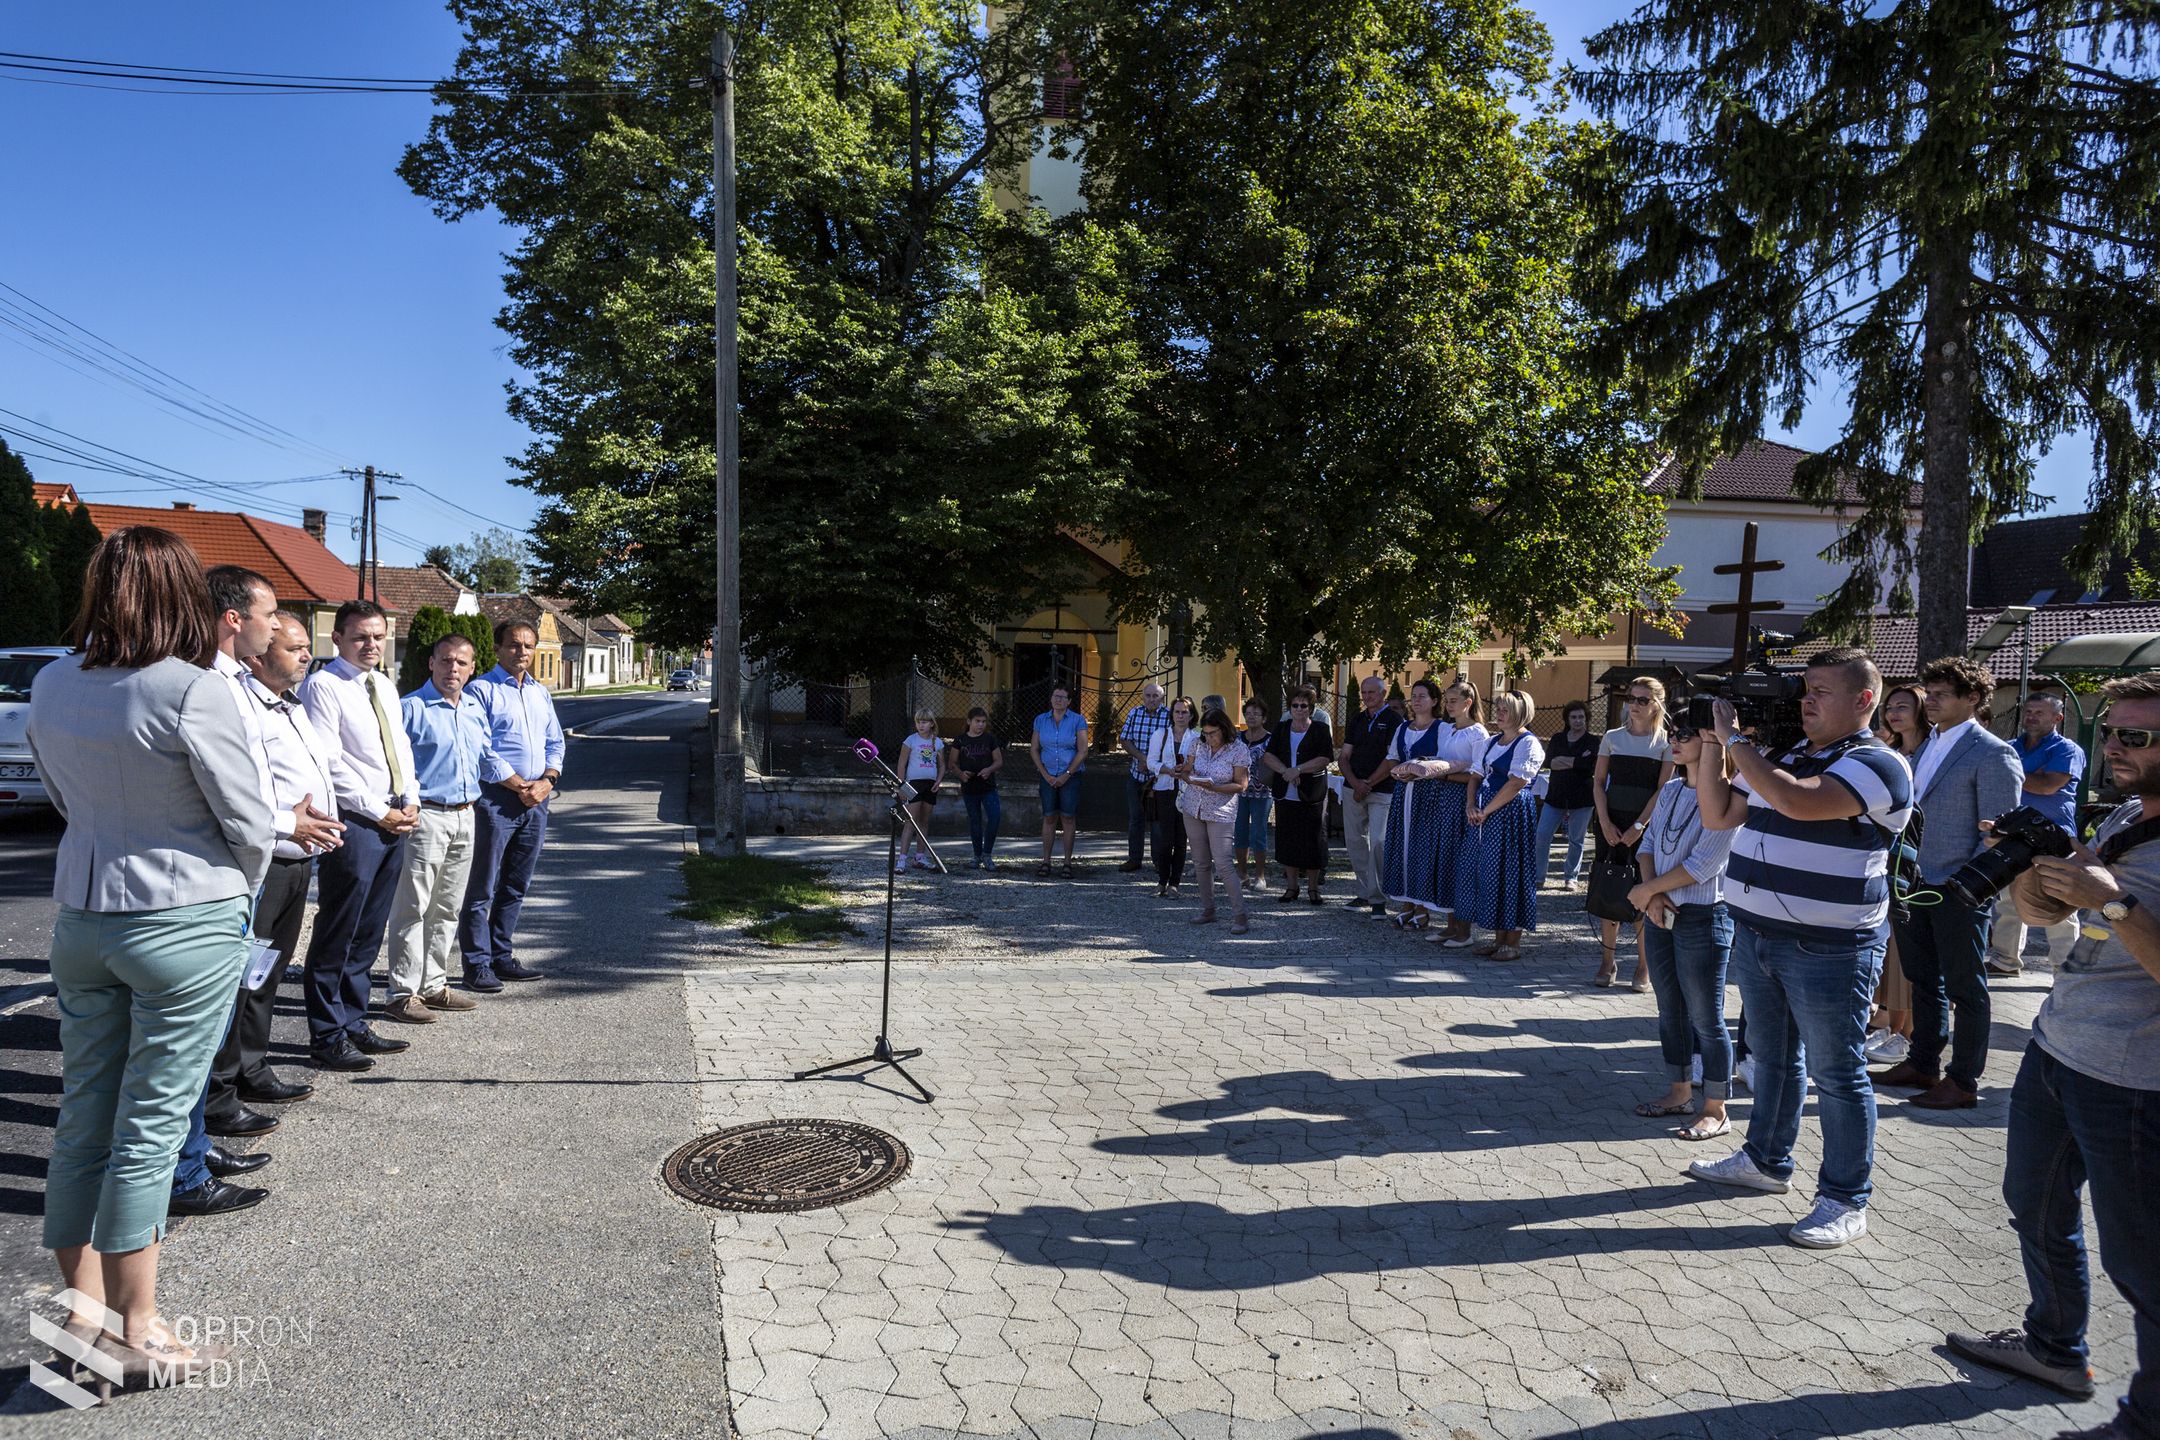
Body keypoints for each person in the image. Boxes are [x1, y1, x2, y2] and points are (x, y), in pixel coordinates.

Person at [26, 526, 273, 1388]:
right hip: (185, 915)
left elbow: (60, 796)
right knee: (151, 1128)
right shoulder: (191, 690)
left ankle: (84, 1318)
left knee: (84, 1112)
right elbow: (249, 821)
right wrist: (236, 894)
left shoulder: (51, 681)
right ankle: (143, 1330)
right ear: (181, 595)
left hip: (85, 914)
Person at [1946, 672, 2160, 1440]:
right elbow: (2046, 911)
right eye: (2114, 733)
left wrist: (2111, 899)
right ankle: (2054, 1347)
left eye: (2137, 737)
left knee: (2144, 1268)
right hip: (2059, 1049)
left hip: (2136, 1085)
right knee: (2032, 1205)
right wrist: (2037, 874)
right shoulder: (2131, 815)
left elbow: (2115, 911)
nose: (2116, 749)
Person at [1687, 647, 1914, 1250]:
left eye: (1820, 690)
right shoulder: (1785, 756)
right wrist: (1713, 744)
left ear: (1864, 700)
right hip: (1759, 933)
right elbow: (1716, 814)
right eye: (1805, 690)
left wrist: (1736, 743)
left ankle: (1844, 1198)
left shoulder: (1879, 763)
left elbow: (1799, 802)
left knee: (1838, 1074)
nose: (1805, 700)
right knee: (1773, 1058)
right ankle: (1765, 1161)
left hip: (1830, 947)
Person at [199, 599, 342, 1159]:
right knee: (236, 980)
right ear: (261, 657)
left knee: (266, 973)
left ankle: (253, 1066)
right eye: (294, 647)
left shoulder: (292, 705)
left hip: (297, 857)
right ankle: (218, 1091)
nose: (307, 656)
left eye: (307, 647)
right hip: (263, 860)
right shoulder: (243, 705)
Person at [1873, 657, 2023, 1110]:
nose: (1930, 702)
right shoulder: (1927, 745)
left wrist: (1967, 887)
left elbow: (2002, 836)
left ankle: (1963, 1081)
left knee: (1966, 988)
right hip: (1914, 882)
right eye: (1930, 692)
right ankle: (1923, 1063)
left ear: (1973, 699)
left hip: (1959, 889)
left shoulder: (1994, 752)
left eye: (1941, 695)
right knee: (1923, 980)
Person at [298, 599, 419, 1071]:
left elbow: (401, 748)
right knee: (339, 930)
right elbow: (330, 763)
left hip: (393, 818)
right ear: (339, 639)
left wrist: (411, 800)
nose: (371, 644)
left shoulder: (384, 685)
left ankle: (353, 1021)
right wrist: (377, 812)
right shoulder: (324, 687)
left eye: (378, 636)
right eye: (360, 637)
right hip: (356, 822)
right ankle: (326, 1034)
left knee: (369, 931)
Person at [1627, 726, 1738, 1141]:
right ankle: (1678, 1092)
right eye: (1672, 732)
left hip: (1704, 914)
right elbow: (1648, 844)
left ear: (1712, 744)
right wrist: (1652, 897)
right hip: (1662, 910)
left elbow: (1704, 864)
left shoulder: (1726, 795)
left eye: (1686, 735)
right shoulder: (1671, 788)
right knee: (1668, 1007)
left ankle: (1716, 1107)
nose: (1674, 740)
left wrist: (1648, 891)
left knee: (1706, 1016)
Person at [382, 635, 500, 1025]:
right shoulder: (410, 709)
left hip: (466, 814)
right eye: (446, 661)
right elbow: (394, 767)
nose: (453, 669)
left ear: (471, 668)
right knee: (412, 906)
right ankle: (402, 992)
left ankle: (433, 985)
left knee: (447, 907)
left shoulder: (473, 709)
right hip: (425, 817)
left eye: (462, 663)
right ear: (431, 663)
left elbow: (485, 758)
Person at [461, 620, 564, 991]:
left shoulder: (540, 693)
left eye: (528, 646)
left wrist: (547, 781)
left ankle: (501, 956)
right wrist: (520, 784)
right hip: (496, 800)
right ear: (498, 648)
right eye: (514, 645)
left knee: (516, 885)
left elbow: (556, 741)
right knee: (482, 887)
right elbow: (481, 748)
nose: (522, 652)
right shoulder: (481, 690)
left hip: (536, 801)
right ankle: (476, 964)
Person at [1988, 693, 2087, 977]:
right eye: (2028, 711)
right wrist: (2033, 775)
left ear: (2058, 718)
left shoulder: (2067, 749)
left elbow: (2048, 786)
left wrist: (2014, 772)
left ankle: (2064, 969)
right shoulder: (2009, 746)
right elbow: (1998, 780)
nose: (2031, 717)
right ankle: (2004, 961)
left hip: (2053, 835)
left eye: (2039, 712)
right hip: (2014, 833)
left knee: (2058, 905)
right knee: (2008, 901)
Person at [1589, 678, 1675, 989]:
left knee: (1644, 892)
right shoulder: (1612, 737)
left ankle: (1643, 967)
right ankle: (1607, 963)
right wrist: (1605, 821)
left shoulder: (1666, 743)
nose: (1635, 705)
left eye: (1643, 700)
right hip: (1610, 824)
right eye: (1632, 698)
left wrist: (1640, 825)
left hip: (1646, 828)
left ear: (1657, 704)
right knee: (1609, 888)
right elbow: (1598, 782)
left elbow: (1663, 790)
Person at [1455, 690, 1544, 960]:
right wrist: (1471, 805)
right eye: (1499, 708)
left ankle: (1512, 942)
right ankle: (1498, 938)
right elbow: (1475, 777)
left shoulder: (1528, 744)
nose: (1499, 713)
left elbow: (1516, 783)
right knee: (1488, 871)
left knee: (1511, 872)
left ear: (1520, 712)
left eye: (1505, 709)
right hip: (1484, 815)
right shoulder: (1491, 742)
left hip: (1510, 814)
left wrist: (1486, 811)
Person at [1866, 686, 1927, 1066]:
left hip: (1920, 867)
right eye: (1889, 706)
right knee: (1892, 954)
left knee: (1907, 957)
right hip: (1890, 862)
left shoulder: (1929, 753)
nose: (1893, 713)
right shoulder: (1894, 754)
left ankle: (1906, 1035)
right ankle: (1891, 1029)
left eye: (1903, 706)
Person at [1381, 678, 1450, 930]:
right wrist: (1399, 772)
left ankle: (1422, 906)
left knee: (1423, 848)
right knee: (1402, 846)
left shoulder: (1442, 729)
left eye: (1423, 696)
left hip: (1428, 794)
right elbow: (1392, 759)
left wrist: (1420, 772)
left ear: (1434, 701)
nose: (1417, 700)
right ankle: (1406, 903)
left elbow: (1445, 762)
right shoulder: (1402, 728)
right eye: (1414, 696)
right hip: (1403, 792)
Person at [1429, 681, 1492, 947]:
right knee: (1446, 861)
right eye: (1447, 699)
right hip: (1444, 799)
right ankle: (1451, 925)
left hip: (1463, 801)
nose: (1448, 704)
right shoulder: (1447, 730)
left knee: (1462, 865)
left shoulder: (1478, 734)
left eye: (1453, 700)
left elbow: (1477, 774)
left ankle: (1465, 930)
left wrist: (1444, 774)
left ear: (1468, 702)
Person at [1179, 708, 1253, 933]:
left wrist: (1215, 787)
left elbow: (1241, 785)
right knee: (1201, 863)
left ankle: (1240, 916)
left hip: (1220, 811)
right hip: (1193, 808)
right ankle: (1208, 909)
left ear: (1224, 729)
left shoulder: (1238, 749)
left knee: (1223, 863)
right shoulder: (1197, 744)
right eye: (1206, 732)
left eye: (1212, 733)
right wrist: (1184, 773)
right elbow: (1187, 771)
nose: (1208, 737)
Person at [1338, 676, 1402, 917]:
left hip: (1382, 789)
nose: (1366, 697)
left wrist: (1369, 783)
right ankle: (1364, 891)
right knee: (1355, 842)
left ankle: (1378, 898)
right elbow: (1344, 756)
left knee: (1378, 842)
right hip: (1353, 788)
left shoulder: (1394, 721)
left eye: (1372, 693)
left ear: (1383, 694)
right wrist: (1355, 783)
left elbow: (1392, 758)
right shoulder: (1357, 719)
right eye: (1364, 692)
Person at [1263, 687, 1334, 903]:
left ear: (1311, 709)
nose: (1299, 709)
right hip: (1286, 794)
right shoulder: (1282, 728)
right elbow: (1268, 756)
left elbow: (1325, 757)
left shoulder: (1320, 729)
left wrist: (1299, 769)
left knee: (1313, 840)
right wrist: (1286, 771)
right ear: (1290, 708)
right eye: (1295, 705)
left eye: (1304, 706)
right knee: (1287, 840)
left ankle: (1313, 888)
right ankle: (1291, 887)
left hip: (1311, 794)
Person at [1535, 701, 1599, 890]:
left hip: (1582, 798)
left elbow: (1589, 766)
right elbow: (1549, 762)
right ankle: (1539, 876)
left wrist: (1566, 761)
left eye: (1581, 717)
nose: (1578, 720)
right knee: (1542, 835)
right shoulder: (1557, 739)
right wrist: (1577, 761)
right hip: (1556, 796)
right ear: (1567, 719)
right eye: (1574, 717)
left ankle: (1571, 877)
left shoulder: (1592, 741)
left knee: (1576, 840)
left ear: (1586, 719)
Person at [1031, 682, 1089, 878]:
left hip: (1070, 776)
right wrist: (1045, 774)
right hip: (1047, 775)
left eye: (1062, 697)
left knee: (1068, 817)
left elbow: (1082, 750)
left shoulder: (1078, 720)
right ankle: (1046, 861)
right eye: (1056, 696)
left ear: (1069, 701)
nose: (1058, 700)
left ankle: (1067, 863)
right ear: (1051, 699)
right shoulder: (1040, 720)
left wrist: (1067, 774)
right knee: (1048, 816)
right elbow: (1034, 749)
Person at [1147, 697, 1198, 896]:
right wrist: (1167, 770)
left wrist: (1184, 769)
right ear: (1172, 714)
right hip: (1164, 790)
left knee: (1180, 839)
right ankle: (1161, 881)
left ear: (1191, 715)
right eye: (1177, 712)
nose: (1180, 715)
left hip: (1187, 791)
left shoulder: (1196, 737)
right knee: (1165, 838)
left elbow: (1198, 764)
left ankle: (1174, 883)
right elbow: (1151, 761)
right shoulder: (1160, 734)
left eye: (1184, 712)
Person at [1118, 682, 1170, 874]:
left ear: (1162, 698)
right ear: (1143, 696)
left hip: (1159, 778)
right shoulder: (1134, 713)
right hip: (1136, 774)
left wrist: (1152, 763)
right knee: (1135, 819)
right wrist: (1142, 759)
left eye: (1155, 696)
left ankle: (1159, 861)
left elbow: (1173, 742)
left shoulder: (1169, 716)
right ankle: (1134, 859)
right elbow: (1124, 739)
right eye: (1148, 695)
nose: (1151, 699)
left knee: (1157, 821)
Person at [950, 707, 1004, 870]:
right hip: (970, 787)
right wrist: (961, 774)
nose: (980, 725)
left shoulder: (989, 738)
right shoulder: (960, 740)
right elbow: (952, 763)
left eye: (983, 722)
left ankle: (987, 854)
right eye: (977, 721)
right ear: (969, 721)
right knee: (975, 822)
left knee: (994, 818)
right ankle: (977, 855)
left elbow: (999, 761)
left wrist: (989, 770)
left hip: (988, 787)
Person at [896, 709, 944, 873]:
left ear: (931, 723)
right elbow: (901, 764)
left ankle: (920, 857)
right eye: (918, 722)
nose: (920, 725)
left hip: (930, 785)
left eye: (924, 722)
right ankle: (902, 860)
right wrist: (901, 785)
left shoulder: (937, 742)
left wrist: (938, 780)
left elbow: (942, 765)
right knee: (911, 820)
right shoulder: (910, 740)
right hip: (912, 785)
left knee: (924, 821)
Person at [1233, 700, 1273, 889]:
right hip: (1238, 793)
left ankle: (1260, 875)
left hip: (1262, 793)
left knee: (1258, 833)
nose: (1251, 716)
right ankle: (1242, 873)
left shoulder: (1271, 740)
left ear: (1264, 717)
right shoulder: (1237, 738)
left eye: (1256, 713)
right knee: (1239, 832)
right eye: (1248, 713)